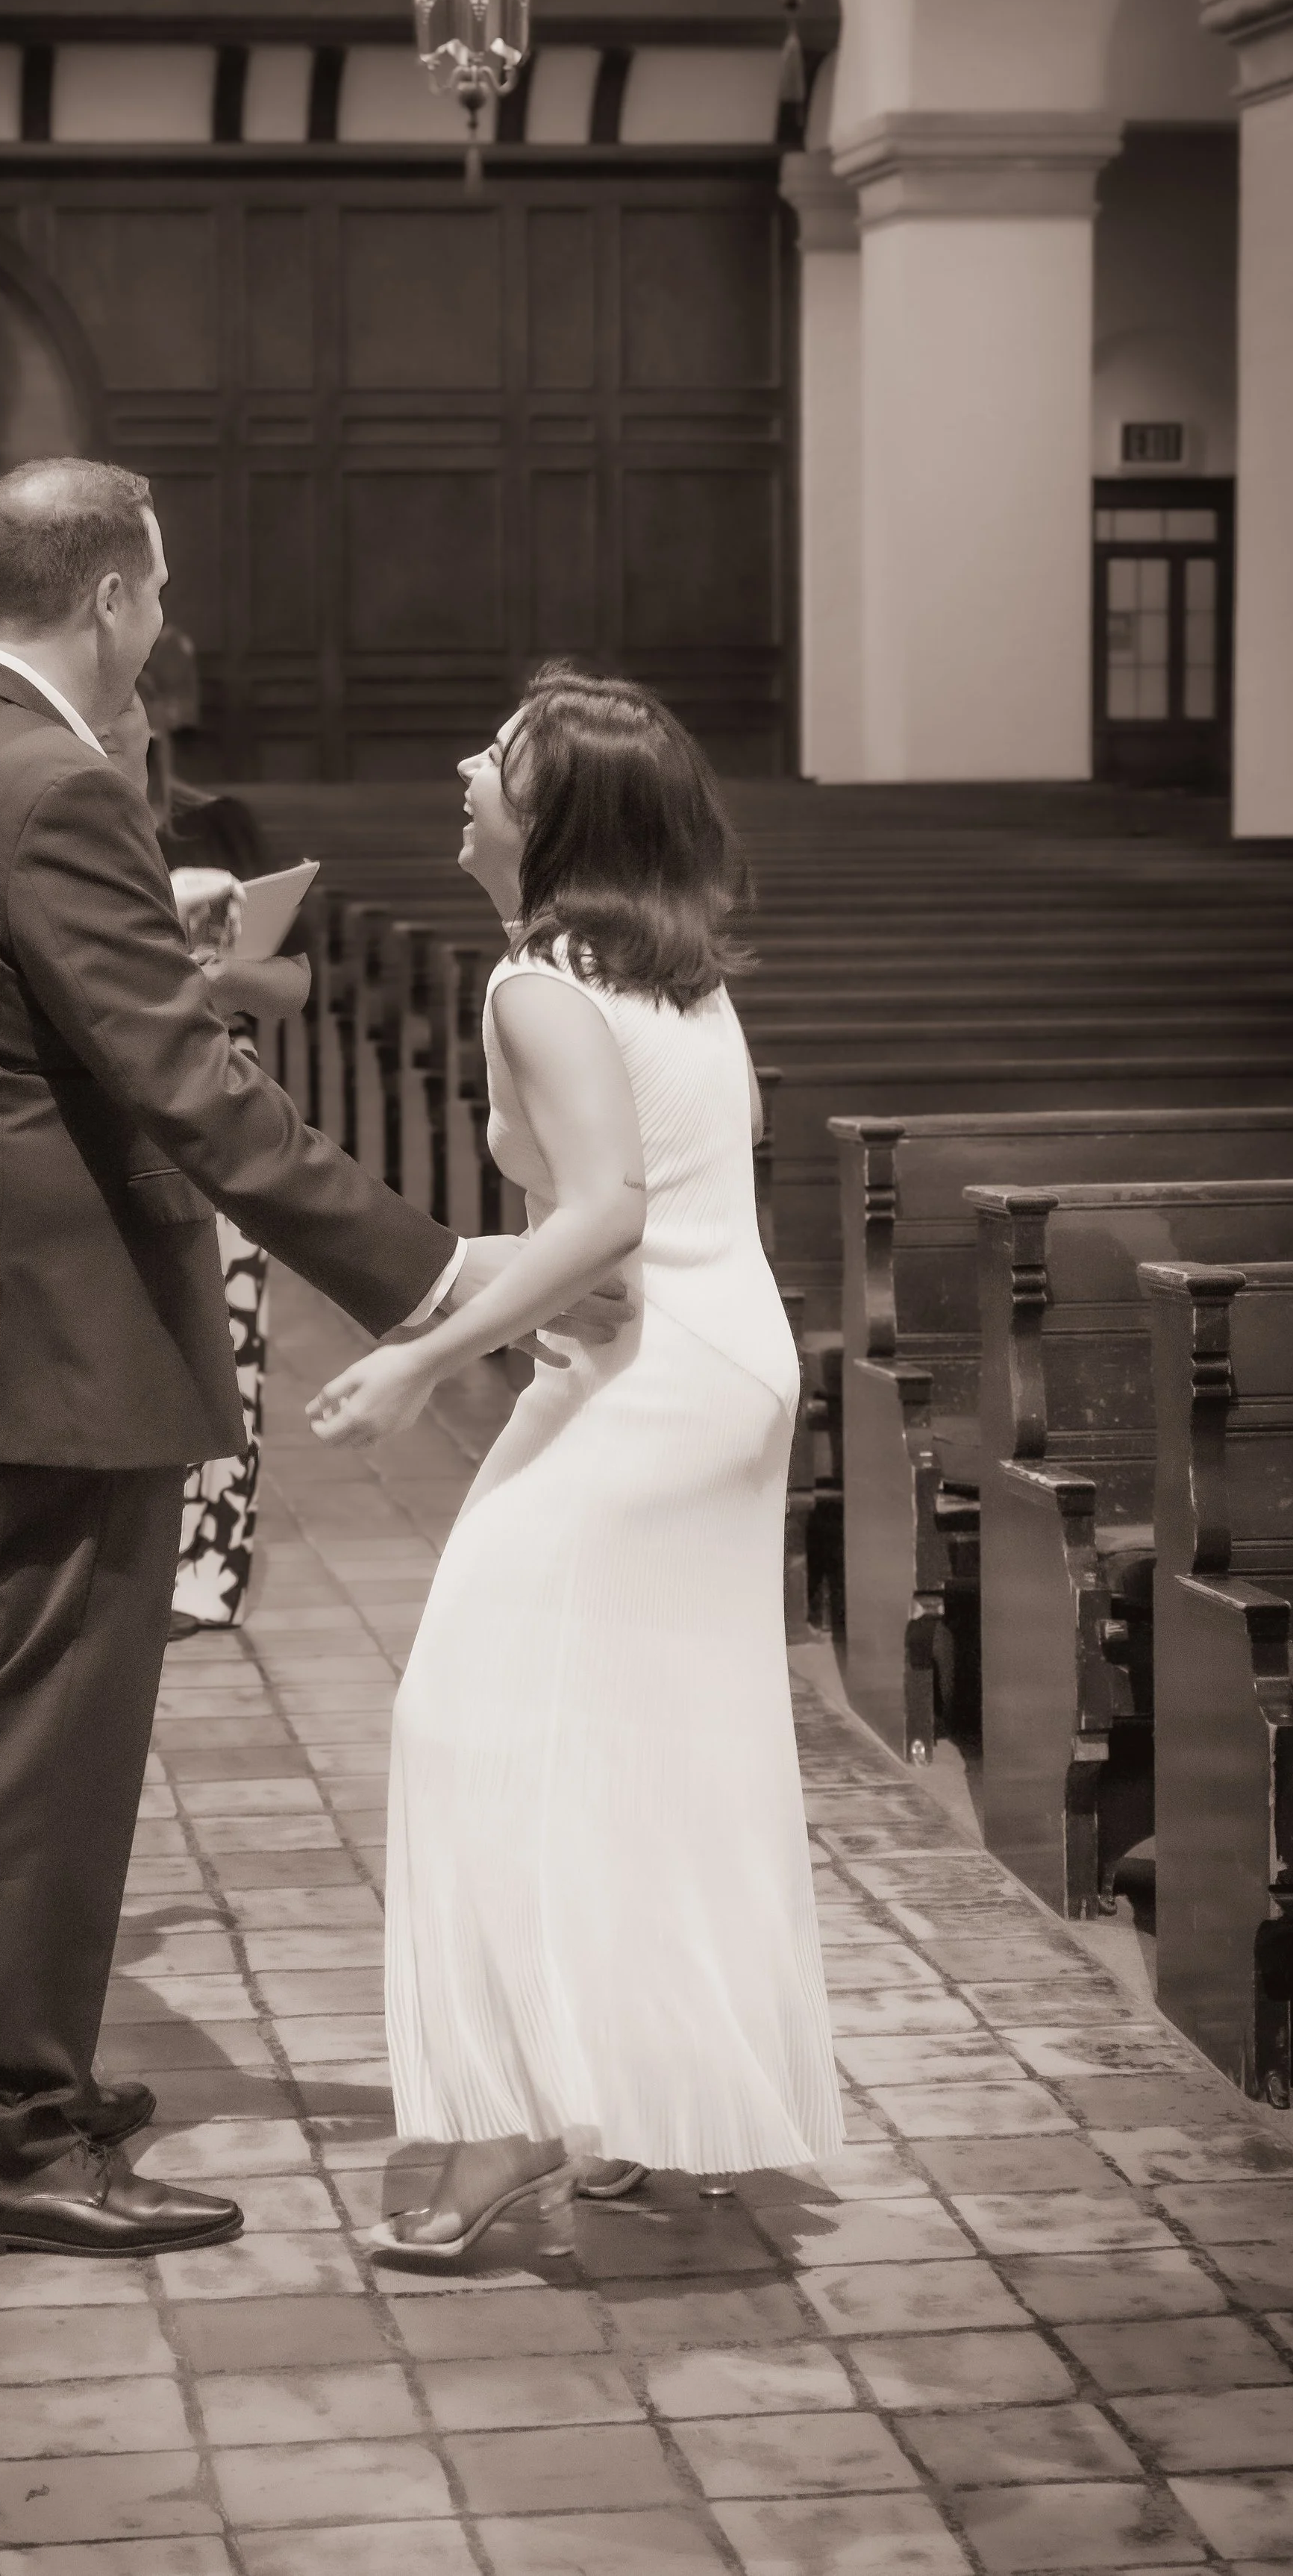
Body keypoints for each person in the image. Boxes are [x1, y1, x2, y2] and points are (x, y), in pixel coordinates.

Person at [0, 460, 628, 2263]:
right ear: (105, 598)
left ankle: (26, 2077)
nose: (163, 630)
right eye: (155, 596)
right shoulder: (51, 789)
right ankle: (9, 2142)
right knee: (48, 1741)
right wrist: (432, 1280)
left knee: (4, 1721)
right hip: (47, 1340)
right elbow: (195, 1098)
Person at [309, 664, 844, 2260]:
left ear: (549, 817)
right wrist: (440, 1282)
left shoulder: (540, 981)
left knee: (462, 1715)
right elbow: (639, 1227)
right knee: (661, 1731)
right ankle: (660, 2117)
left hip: (650, 1382)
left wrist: (419, 1358)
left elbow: (604, 1220)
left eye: (501, 755)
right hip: (716, 1365)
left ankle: (499, 2134)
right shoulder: (659, 970)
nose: (465, 762)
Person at [139, 622, 310, 1635]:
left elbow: (293, 982)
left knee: (227, 1336)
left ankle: (210, 1569)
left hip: (219, 1094)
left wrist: (213, 970)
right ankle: (128, 1559)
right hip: (108, 1108)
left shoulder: (221, 826)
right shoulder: (66, 821)